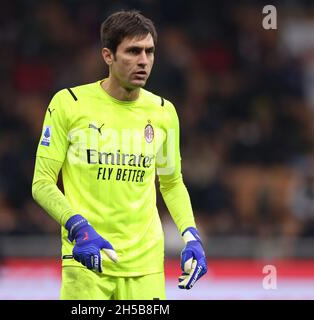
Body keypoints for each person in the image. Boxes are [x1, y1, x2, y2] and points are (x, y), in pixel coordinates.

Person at [32, 10, 207, 300]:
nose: (143, 61)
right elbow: (42, 183)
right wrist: (78, 227)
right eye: (133, 51)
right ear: (108, 56)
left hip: (146, 266)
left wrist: (191, 235)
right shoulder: (69, 105)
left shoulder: (163, 112)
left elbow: (171, 183)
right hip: (88, 259)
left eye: (149, 52)